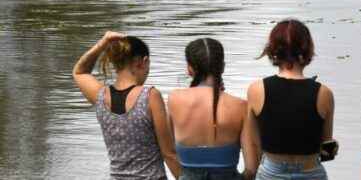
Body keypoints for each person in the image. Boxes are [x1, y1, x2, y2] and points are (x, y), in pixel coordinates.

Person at [72, 31, 181, 179]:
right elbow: (169, 154)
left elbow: (80, 71)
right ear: (143, 61)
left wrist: (103, 43)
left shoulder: (100, 97)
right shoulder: (150, 96)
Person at [247, 19, 336, 180]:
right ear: (307, 50)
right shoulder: (324, 93)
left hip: (271, 171)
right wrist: (333, 148)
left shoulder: (256, 90)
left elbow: (254, 144)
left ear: (273, 50)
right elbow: (326, 147)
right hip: (311, 171)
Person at [168, 38, 258, 180]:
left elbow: (169, 152)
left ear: (189, 69)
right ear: (222, 67)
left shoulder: (174, 99)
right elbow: (252, 168)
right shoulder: (241, 106)